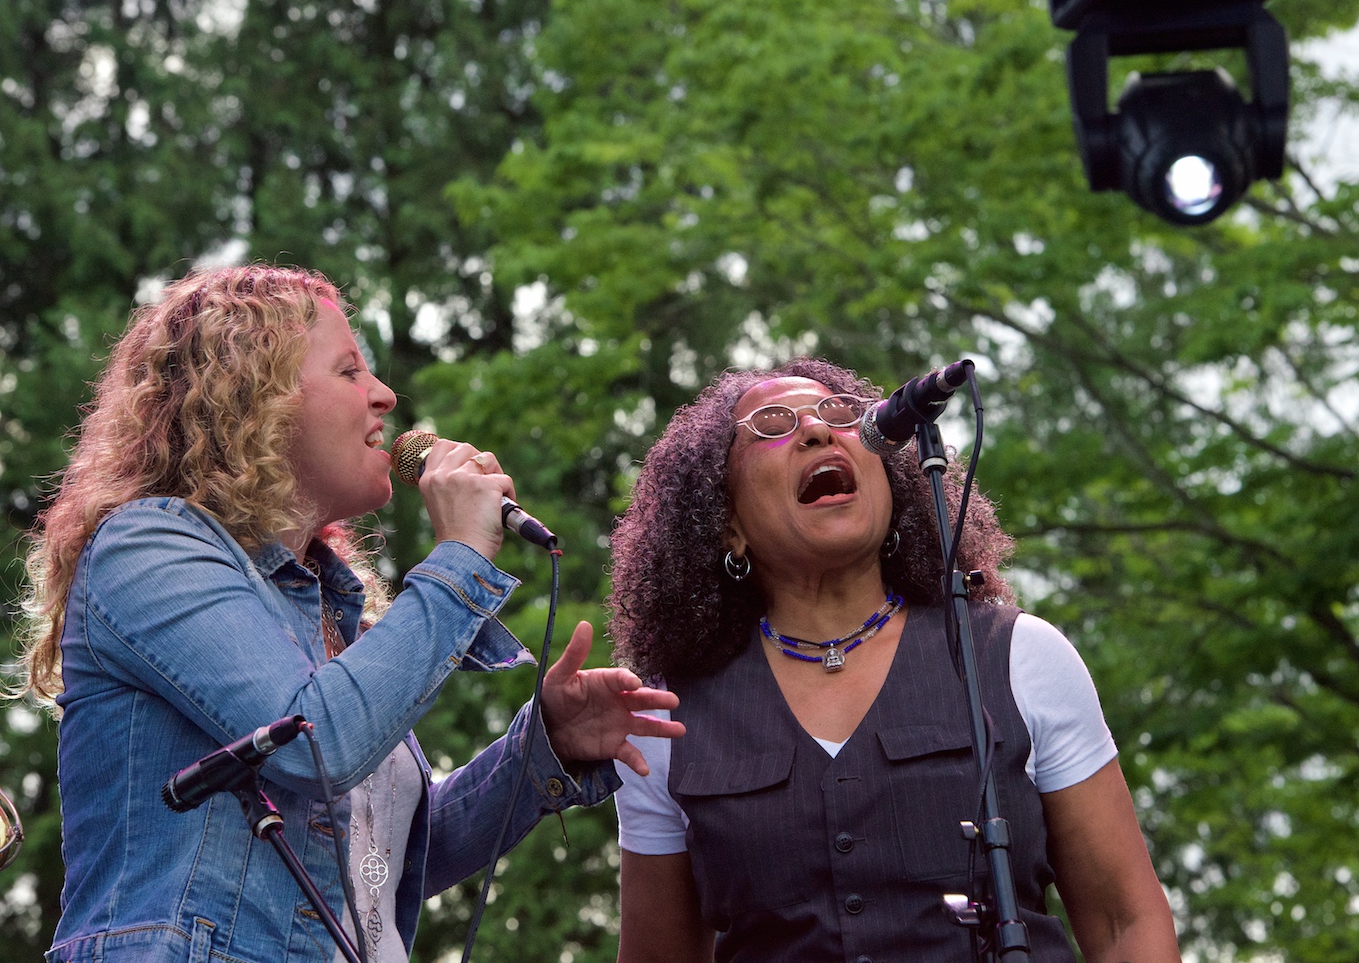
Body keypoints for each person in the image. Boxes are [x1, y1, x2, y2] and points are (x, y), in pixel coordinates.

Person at [14, 264, 682, 963]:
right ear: (256, 397)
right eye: (349, 371)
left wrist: (542, 745)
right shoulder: (148, 546)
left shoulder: (335, 613)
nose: (385, 396)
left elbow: (385, 861)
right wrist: (458, 557)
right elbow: (311, 743)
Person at [606, 357, 1181, 963]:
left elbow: (1126, 922)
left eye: (840, 414)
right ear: (727, 527)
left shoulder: (1019, 657)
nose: (818, 431)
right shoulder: (665, 716)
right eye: (773, 424)